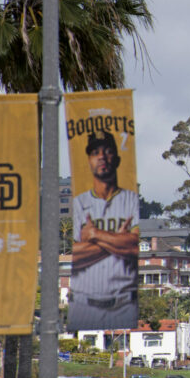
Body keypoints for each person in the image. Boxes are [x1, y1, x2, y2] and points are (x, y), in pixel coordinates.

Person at [69, 130, 139, 331]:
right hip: (84, 303)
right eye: (95, 152)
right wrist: (118, 240)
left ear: (116, 160)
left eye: (107, 151)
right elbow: (77, 254)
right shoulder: (79, 203)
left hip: (124, 303)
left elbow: (134, 246)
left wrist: (95, 235)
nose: (101, 156)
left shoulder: (131, 200)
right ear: (89, 160)